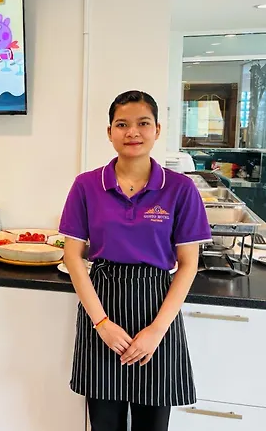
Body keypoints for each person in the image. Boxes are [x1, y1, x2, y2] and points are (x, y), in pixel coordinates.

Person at [59, 90, 212, 431]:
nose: (132, 132)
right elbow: (72, 256)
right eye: (122, 124)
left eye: (143, 123)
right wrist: (102, 324)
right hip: (102, 307)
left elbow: (188, 263)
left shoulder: (180, 188)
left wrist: (156, 331)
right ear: (109, 131)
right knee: (104, 423)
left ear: (157, 130)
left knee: (152, 424)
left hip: (157, 308)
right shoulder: (86, 186)